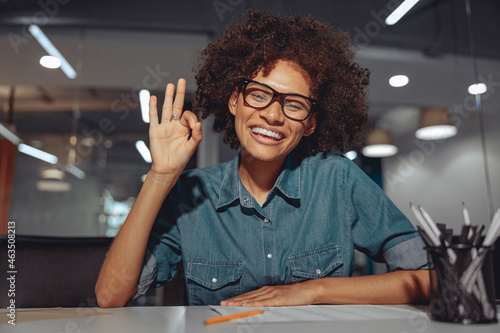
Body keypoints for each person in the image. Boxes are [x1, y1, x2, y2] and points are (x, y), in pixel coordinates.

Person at [95, 10, 430, 308]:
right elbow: (111, 296)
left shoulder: (338, 179)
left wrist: (314, 290)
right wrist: (160, 175)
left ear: (310, 123)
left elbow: (429, 278)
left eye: (294, 104)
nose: (272, 115)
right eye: (258, 94)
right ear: (234, 101)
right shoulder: (191, 193)